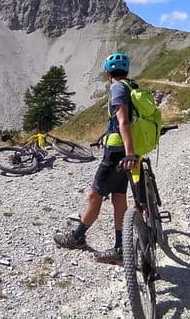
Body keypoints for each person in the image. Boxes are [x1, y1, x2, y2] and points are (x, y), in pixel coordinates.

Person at [53, 52, 138, 264]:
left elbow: (123, 122)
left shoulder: (117, 87)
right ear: (125, 71)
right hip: (128, 147)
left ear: (108, 72)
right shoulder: (133, 86)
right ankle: (121, 248)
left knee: (95, 195)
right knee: (119, 197)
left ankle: (77, 237)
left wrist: (127, 153)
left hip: (118, 152)